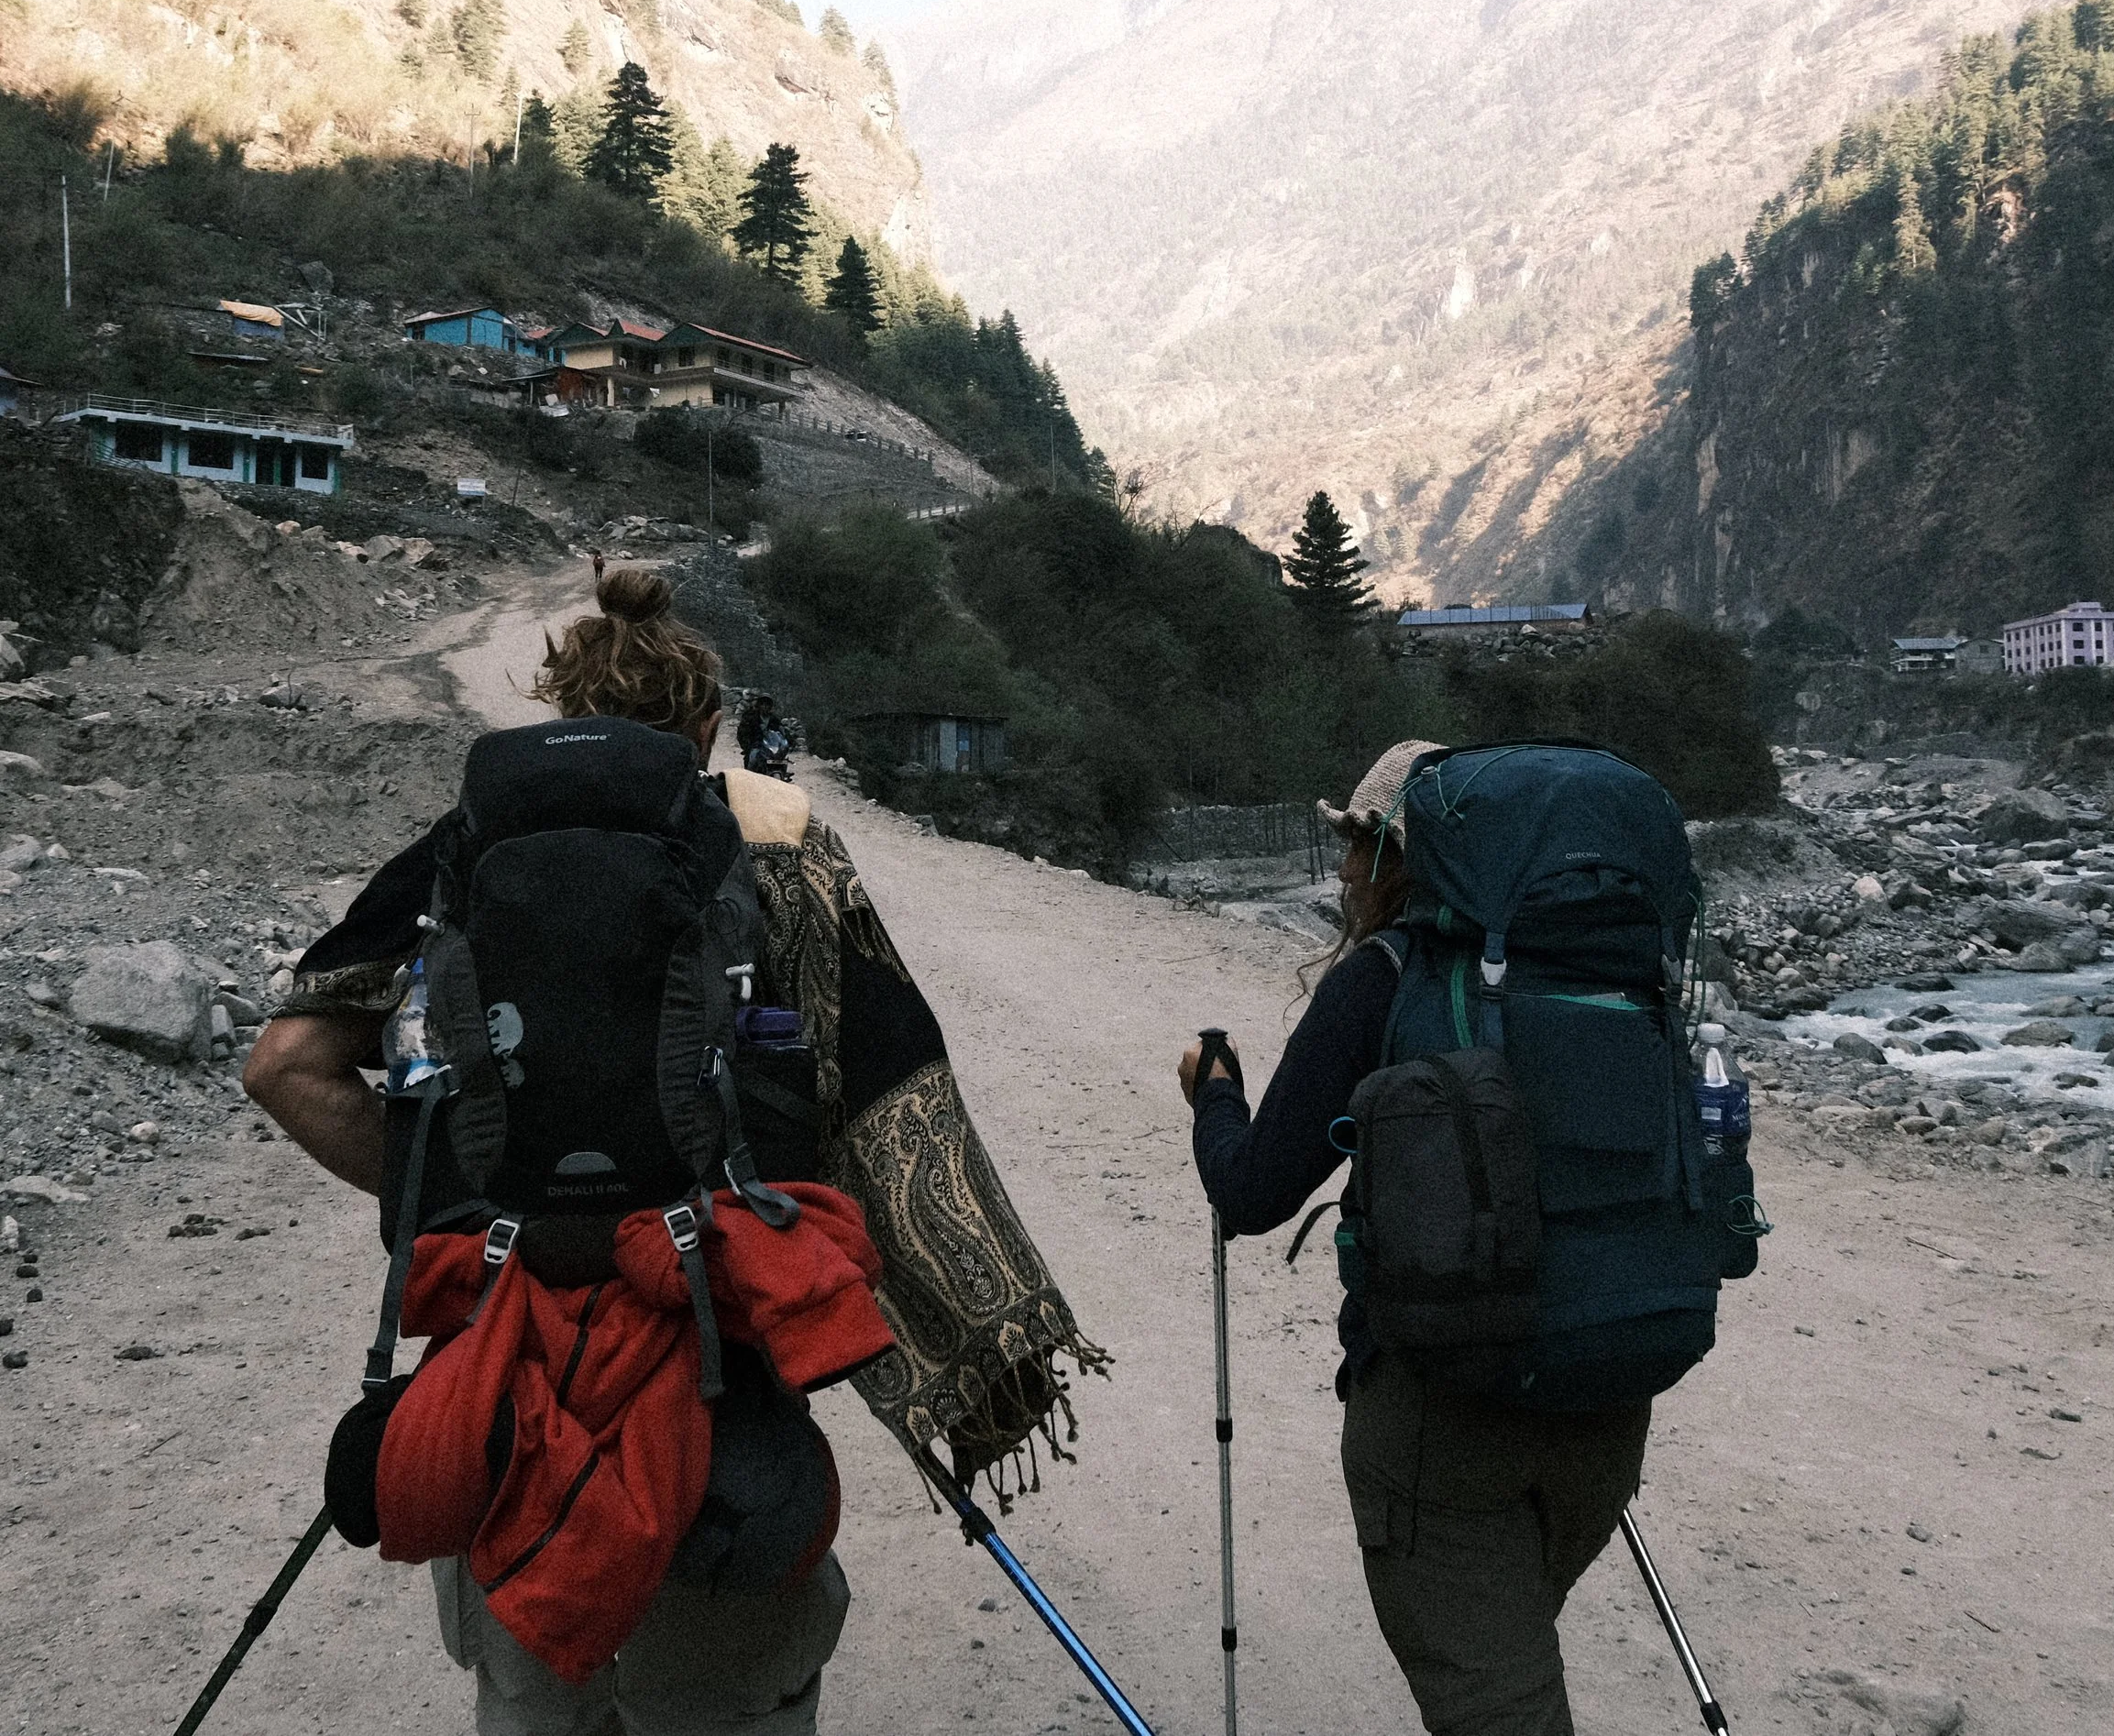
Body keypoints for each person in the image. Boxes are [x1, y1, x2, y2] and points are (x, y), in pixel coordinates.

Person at [248, 566, 1105, 1736]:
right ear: (705, 730)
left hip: (511, 1373)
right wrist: (970, 1353)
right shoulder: (782, 848)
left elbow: (286, 1065)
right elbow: (895, 1112)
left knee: (536, 1692)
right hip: (713, 1370)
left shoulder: (466, 851)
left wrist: (449, 1199)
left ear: (561, 715)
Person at [1179, 740, 1649, 1736]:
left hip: (1443, 1414)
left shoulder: (1383, 978)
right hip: (1607, 1392)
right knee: (1509, 1659)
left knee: (1501, 1704)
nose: (1345, 871)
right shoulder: (1599, 973)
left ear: (1402, 856)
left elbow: (1252, 1192)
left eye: (1360, 845)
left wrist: (1215, 1096)